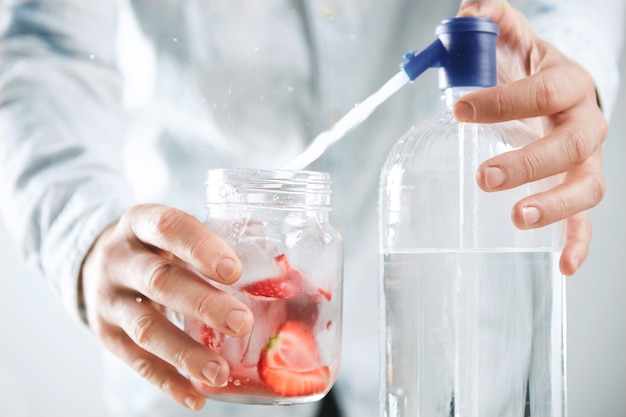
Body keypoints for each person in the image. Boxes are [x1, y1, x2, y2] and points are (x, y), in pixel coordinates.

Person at [0, 0, 623, 416]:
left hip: (457, 358)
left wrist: (564, 62)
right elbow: (42, 53)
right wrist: (82, 238)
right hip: (188, 332)